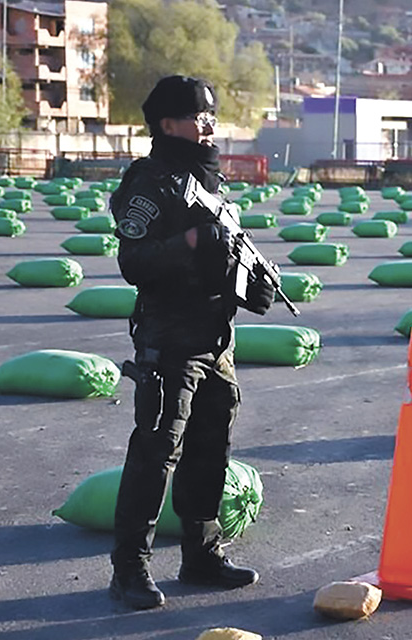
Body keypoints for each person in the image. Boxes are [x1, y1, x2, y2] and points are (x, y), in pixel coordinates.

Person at [106, 75, 276, 611]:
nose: (209, 124)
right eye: (198, 115)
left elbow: (223, 247)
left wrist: (251, 276)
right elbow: (133, 261)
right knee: (156, 450)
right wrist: (193, 240)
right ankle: (129, 569)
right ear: (166, 124)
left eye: (211, 114)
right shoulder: (148, 182)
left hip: (214, 337)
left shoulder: (208, 180)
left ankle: (201, 554)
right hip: (170, 340)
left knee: (211, 447)